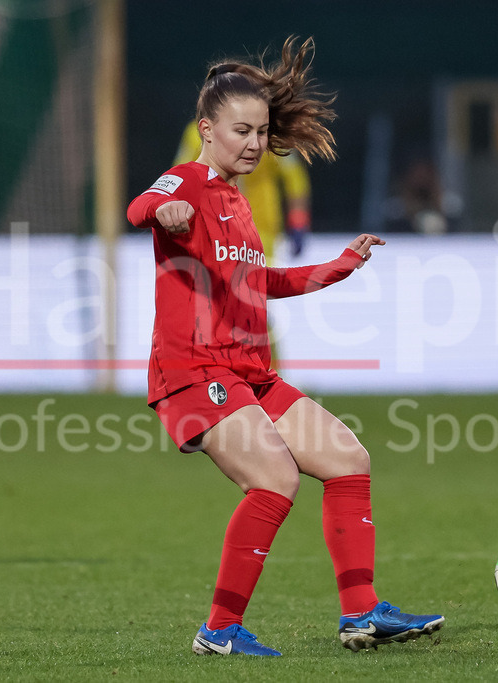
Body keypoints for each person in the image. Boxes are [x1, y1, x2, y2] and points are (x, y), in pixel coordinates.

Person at [126, 36, 444, 656]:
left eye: (261, 131)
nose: (252, 143)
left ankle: (362, 614)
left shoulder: (239, 204)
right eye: (240, 130)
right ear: (206, 128)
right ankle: (218, 630)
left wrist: (337, 267)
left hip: (248, 372)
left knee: (348, 458)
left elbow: (260, 282)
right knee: (274, 478)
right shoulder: (189, 181)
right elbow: (145, 202)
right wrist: (158, 215)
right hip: (191, 374)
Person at [174, 119, 313, 260]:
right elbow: (181, 178)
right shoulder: (198, 132)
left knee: (256, 277)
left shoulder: (273, 134)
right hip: (212, 229)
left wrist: (298, 220)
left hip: (261, 228)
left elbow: (294, 178)